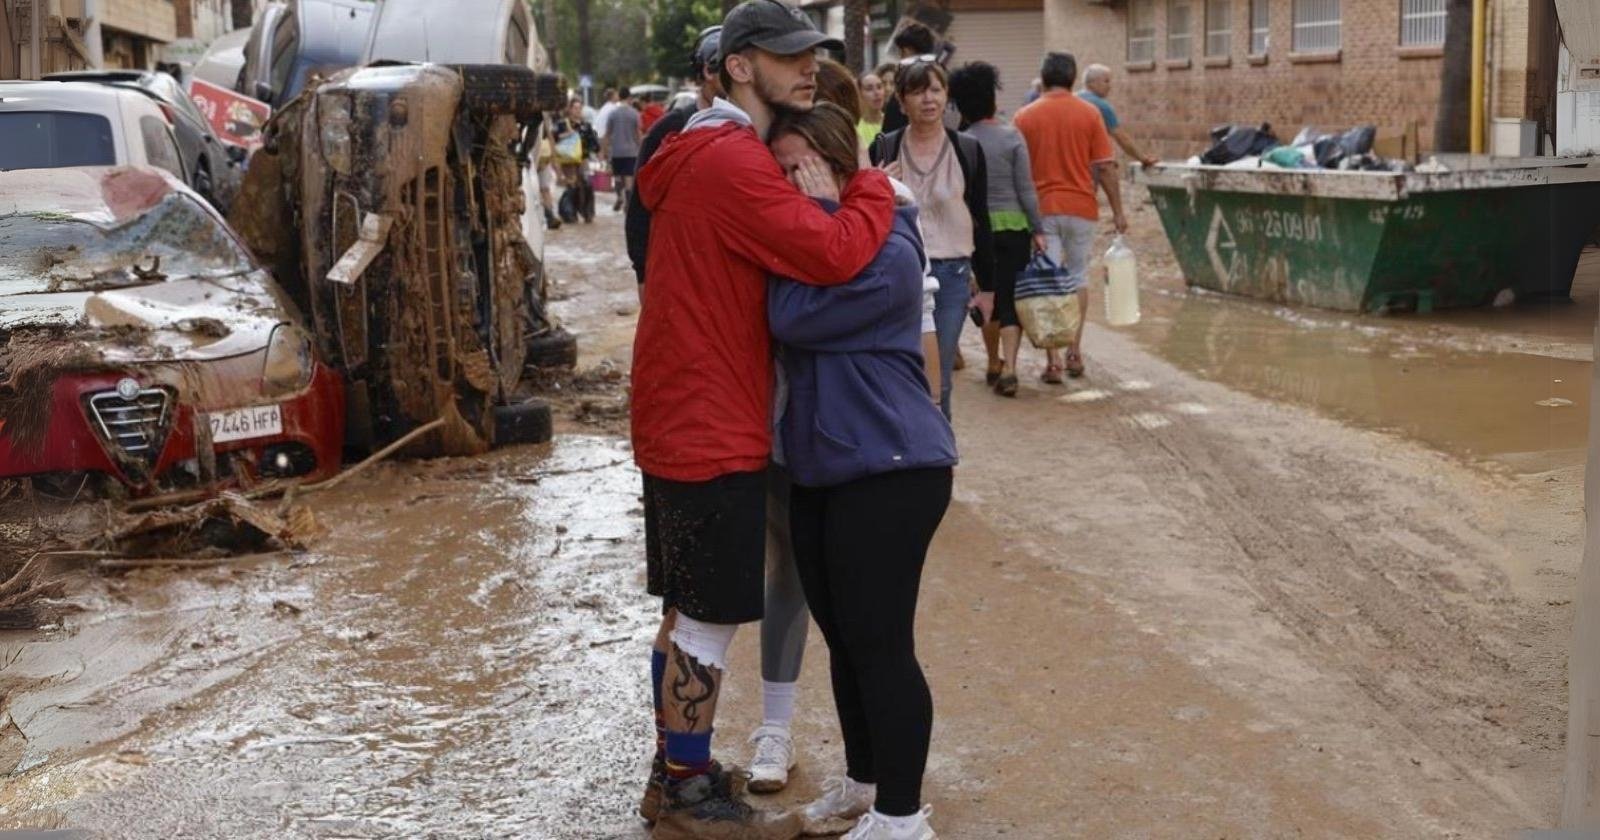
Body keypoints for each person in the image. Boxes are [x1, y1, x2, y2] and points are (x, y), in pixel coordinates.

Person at [631, 0, 897, 835]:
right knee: (706, 617)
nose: (807, 66)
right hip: (711, 416)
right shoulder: (733, 160)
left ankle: (678, 765)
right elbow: (831, 253)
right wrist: (873, 187)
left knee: (682, 609)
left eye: (810, 52)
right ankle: (685, 791)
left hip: (678, 407)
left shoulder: (693, 147)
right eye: (787, 56)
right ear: (740, 66)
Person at [765, 101, 957, 840]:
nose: (789, 183)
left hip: (893, 465)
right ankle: (864, 786)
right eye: (779, 170)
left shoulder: (892, 248)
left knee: (882, 645)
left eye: (801, 169)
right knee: (846, 641)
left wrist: (816, 220)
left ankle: (903, 820)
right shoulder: (812, 241)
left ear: (838, 167)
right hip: (823, 465)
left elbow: (790, 317)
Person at [870, 58, 992, 419]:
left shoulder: (967, 149)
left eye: (936, 90)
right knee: (900, 369)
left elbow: (981, 217)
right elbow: (865, 216)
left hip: (952, 276)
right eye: (918, 91)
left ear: (947, 95)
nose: (928, 99)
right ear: (901, 100)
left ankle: (938, 458)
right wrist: (876, 186)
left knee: (938, 379)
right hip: (900, 274)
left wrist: (988, 287)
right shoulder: (885, 149)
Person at [1014, 51, 1127, 381]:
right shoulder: (1090, 114)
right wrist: (1118, 211)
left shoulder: (1024, 116)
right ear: (1074, 78)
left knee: (1049, 279)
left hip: (1041, 211)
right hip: (1081, 208)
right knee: (1076, 276)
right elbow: (1105, 167)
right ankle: (1075, 351)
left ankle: (1053, 360)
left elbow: (1016, 170)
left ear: (1043, 77)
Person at [948, 61, 1045, 398]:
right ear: (991, 99)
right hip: (1015, 227)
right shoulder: (1011, 135)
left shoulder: (960, 141)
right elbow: (1026, 189)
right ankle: (1013, 369)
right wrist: (1039, 228)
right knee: (1010, 296)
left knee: (986, 293)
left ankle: (992, 362)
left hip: (977, 231)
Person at [1079, 64, 1158, 169]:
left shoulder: (1074, 98)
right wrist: (1142, 158)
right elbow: (1121, 137)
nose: (1109, 86)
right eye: (1106, 81)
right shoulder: (1101, 106)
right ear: (1092, 83)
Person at [879, 21, 938, 135]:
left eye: (901, 53)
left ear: (907, 51)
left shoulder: (904, 88)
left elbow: (890, 134)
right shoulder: (946, 81)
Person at [551, 97, 599, 223]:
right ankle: (568, 212)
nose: (577, 111)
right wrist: (568, 134)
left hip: (583, 158)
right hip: (568, 159)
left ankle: (587, 212)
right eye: (575, 108)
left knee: (586, 184)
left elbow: (594, 142)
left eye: (579, 108)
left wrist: (594, 151)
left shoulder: (586, 125)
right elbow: (553, 138)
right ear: (570, 109)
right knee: (572, 185)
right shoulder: (562, 124)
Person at [608, 88, 643, 212]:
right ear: (629, 98)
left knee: (617, 177)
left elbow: (608, 133)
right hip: (631, 151)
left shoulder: (612, 113)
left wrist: (604, 151)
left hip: (616, 151)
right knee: (629, 178)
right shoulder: (635, 114)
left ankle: (619, 196)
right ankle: (628, 203)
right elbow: (638, 134)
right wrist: (642, 147)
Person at [857, 70, 886, 149]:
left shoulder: (894, 122)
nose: (876, 93)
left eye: (879, 87)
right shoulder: (855, 128)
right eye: (869, 89)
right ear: (860, 93)